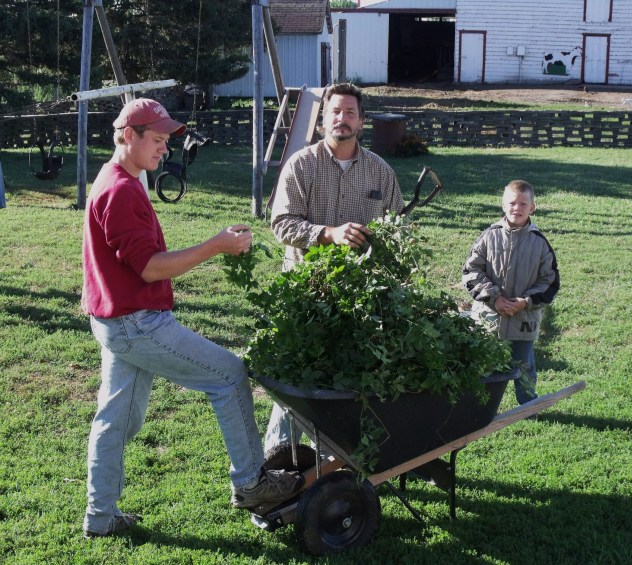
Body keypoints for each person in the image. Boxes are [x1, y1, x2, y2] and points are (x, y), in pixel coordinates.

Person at [81, 98, 304, 538]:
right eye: (158, 140)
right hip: (137, 323)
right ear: (129, 135)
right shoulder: (121, 190)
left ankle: (100, 517)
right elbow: (150, 267)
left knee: (117, 420)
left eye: (166, 141)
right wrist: (215, 246)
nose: (164, 149)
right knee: (228, 375)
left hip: (115, 319)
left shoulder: (118, 178)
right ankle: (252, 484)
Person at [265, 82, 405, 450]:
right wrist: (328, 234)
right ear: (323, 119)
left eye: (350, 113)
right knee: (296, 381)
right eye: (335, 112)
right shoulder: (301, 165)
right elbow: (281, 224)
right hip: (306, 293)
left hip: (359, 299)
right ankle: (276, 464)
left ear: (361, 122)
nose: (342, 119)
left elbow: (398, 230)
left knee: (344, 382)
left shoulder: (380, 172)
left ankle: (332, 465)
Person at [462, 180, 560, 405]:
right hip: (489, 317)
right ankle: (479, 406)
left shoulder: (539, 243)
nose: (517, 208)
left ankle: (527, 406)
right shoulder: (489, 236)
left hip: (523, 318)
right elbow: (471, 271)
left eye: (523, 204)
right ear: (503, 205)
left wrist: (524, 302)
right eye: (512, 203)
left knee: (523, 366)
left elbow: (550, 281)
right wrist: (494, 299)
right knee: (484, 364)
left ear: (532, 207)